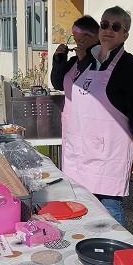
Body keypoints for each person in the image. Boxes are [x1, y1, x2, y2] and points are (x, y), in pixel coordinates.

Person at [62, 6, 133, 225]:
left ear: (125, 34)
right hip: (80, 152)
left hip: (108, 156)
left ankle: (116, 255)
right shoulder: (87, 61)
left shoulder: (130, 66)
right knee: (80, 210)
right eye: (104, 24)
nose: (108, 30)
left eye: (116, 26)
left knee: (109, 213)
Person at [51, 15, 100, 170]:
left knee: (89, 170)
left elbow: (93, 89)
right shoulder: (74, 62)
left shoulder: (102, 63)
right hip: (71, 125)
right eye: (76, 40)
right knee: (72, 171)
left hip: (89, 128)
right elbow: (58, 84)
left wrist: (85, 60)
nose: (79, 44)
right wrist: (59, 60)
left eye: (82, 40)